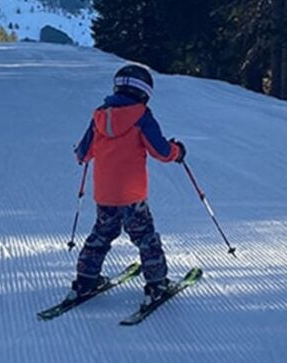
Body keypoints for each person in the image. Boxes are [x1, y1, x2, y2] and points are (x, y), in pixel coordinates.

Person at [69, 64, 187, 306]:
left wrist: (81, 154)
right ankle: (157, 285)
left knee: (102, 234)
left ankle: (85, 282)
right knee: (145, 237)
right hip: (132, 194)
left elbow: (83, 153)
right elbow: (161, 151)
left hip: (105, 194)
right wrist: (177, 151)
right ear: (144, 92)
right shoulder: (142, 116)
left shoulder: (99, 116)